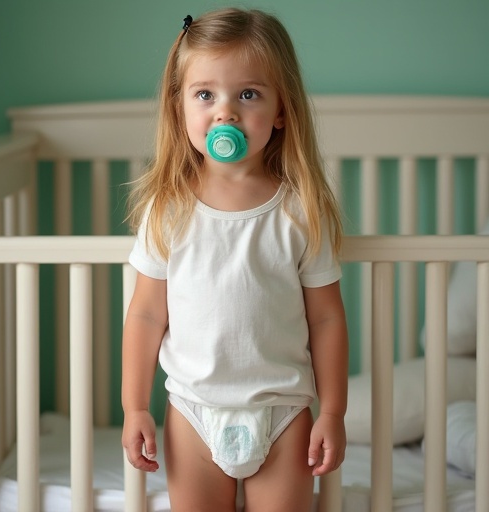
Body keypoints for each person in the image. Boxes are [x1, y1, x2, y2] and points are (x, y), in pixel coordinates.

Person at [122, 7, 348, 512]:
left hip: (284, 412)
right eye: (205, 94)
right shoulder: (168, 208)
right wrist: (135, 405)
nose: (225, 113)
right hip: (193, 412)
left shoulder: (298, 209)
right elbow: (145, 313)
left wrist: (333, 410)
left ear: (282, 109)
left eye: (247, 94)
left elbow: (327, 318)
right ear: (178, 108)